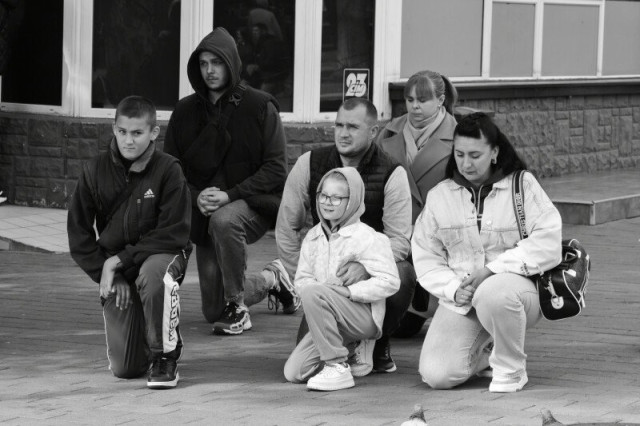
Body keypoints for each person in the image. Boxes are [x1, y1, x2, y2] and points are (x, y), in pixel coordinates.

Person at [411, 112, 562, 392]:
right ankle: (486, 354)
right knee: (437, 376)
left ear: (494, 152)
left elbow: (548, 241)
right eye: (459, 154)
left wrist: (491, 271)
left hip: (516, 294)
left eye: (475, 155)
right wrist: (453, 289)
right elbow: (425, 254)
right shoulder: (440, 195)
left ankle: (511, 369)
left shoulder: (522, 185)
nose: (466, 163)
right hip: (463, 300)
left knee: (494, 292)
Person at [270, 97, 414, 374]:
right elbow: (286, 228)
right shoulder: (309, 163)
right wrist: (308, 281)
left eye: (353, 127)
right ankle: (345, 344)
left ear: (373, 132)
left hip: (371, 275)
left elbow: (399, 240)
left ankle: (377, 339)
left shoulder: (392, 172)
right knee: (302, 369)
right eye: (339, 125)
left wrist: (366, 267)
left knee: (403, 273)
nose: (343, 133)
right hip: (326, 281)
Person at [163, 27, 291, 336]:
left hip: (252, 205)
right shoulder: (184, 111)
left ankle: (238, 307)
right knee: (212, 311)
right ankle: (272, 279)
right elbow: (169, 170)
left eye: (217, 62)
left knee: (224, 219)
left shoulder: (261, 106)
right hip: (203, 211)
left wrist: (231, 195)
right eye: (204, 63)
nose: (210, 70)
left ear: (231, 62)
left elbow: (276, 169)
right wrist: (195, 196)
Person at [67, 96, 192, 389]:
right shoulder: (94, 170)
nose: (128, 140)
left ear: (153, 133)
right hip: (119, 267)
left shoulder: (169, 169)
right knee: (126, 368)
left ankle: (165, 356)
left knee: (153, 275)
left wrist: (119, 260)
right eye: (122, 131)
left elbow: (173, 232)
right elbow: (79, 235)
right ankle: (157, 331)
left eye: (137, 133)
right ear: (114, 128)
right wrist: (112, 272)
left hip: (162, 255)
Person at [283, 168, 400, 391]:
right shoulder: (313, 236)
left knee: (313, 292)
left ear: (352, 200)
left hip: (362, 316)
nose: (328, 202)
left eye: (337, 198)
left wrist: (349, 292)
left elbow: (390, 281)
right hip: (328, 315)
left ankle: (337, 366)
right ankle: (348, 347)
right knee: (294, 372)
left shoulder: (367, 237)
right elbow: (302, 279)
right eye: (324, 195)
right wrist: (323, 291)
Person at [376, 70, 459, 338]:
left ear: (441, 100)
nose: (415, 107)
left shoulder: (460, 135)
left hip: (440, 237)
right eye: (410, 100)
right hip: (395, 231)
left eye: (423, 100)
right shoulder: (389, 131)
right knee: (399, 327)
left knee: (411, 323)